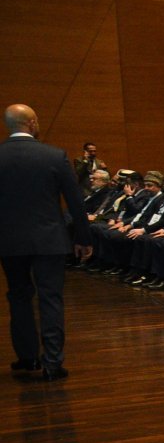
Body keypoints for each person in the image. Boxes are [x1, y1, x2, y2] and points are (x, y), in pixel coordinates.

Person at [1, 105, 92, 380]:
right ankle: (53, 362)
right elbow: (75, 201)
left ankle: (27, 358)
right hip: (50, 239)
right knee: (50, 298)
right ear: (32, 122)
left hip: (9, 241)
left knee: (18, 297)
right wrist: (83, 238)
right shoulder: (54, 156)